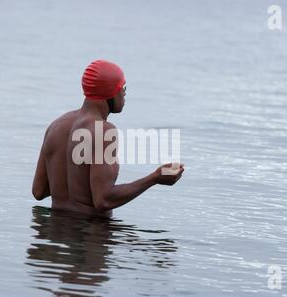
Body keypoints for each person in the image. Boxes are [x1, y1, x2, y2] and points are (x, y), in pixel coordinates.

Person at [32, 60, 184, 215]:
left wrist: (70, 186)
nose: (124, 93)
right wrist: (154, 178)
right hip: (91, 233)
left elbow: (39, 191)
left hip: (55, 232)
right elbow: (103, 200)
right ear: (110, 91)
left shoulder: (55, 126)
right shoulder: (103, 130)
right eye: (123, 87)